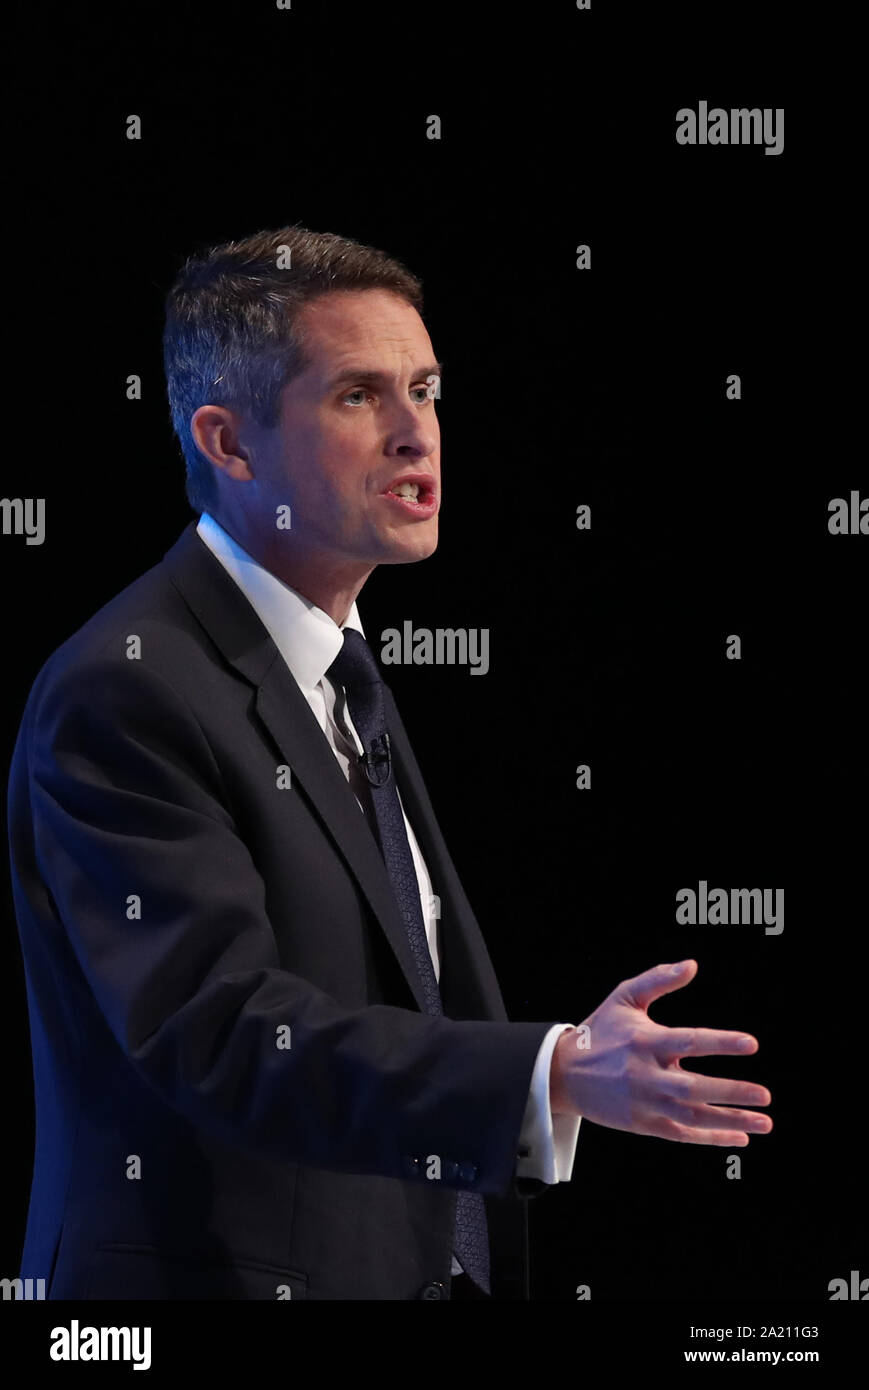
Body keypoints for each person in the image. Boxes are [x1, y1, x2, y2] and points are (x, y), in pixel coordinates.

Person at [7, 226, 772, 1301]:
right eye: (359, 396)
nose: (419, 434)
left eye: (425, 387)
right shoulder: (129, 685)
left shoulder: (340, 668)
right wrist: (544, 1071)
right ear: (229, 444)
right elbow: (219, 1033)